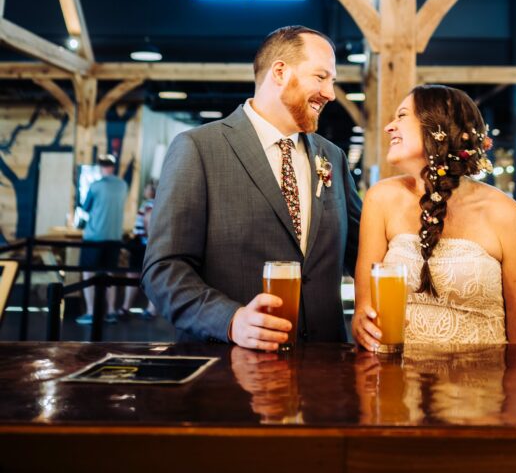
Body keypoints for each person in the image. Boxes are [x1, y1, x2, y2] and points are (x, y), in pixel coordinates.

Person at [142, 25, 362, 346]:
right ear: (280, 72)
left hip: (325, 365)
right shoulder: (199, 148)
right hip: (230, 370)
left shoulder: (333, 157)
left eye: (332, 81)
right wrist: (230, 320)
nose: (330, 92)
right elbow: (164, 269)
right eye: (321, 77)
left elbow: (365, 252)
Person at [352, 85, 516, 351]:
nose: (389, 127)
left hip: (481, 384)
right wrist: (362, 322)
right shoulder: (380, 199)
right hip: (395, 382)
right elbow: (365, 309)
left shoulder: (504, 212)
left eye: (402, 116)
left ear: (439, 129)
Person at [76, 154, 128, 325]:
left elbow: (85, 207)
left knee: (88, 272)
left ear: (100, 167)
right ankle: (111, 311)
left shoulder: (95, 186)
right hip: (114, 237)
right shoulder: (123, 185)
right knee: (109, 274)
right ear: (113, 167)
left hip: (94, 237)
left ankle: (91, 312)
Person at [117, 181, 157, 320]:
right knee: (149, 276)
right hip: (146, 244)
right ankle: (148, 308)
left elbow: (148, 224)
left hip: (143, 245)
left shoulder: (149, 205)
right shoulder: (155, 204)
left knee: (136, 275)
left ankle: (130, 307)